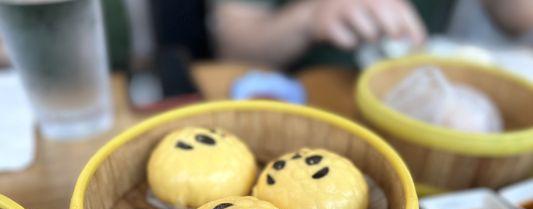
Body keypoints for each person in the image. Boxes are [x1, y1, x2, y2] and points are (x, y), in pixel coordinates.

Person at [210, 0, 533, 70]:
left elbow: (519, 18)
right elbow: (235, 47)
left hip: (413, 91)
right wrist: (310, 17)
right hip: (300, 95)